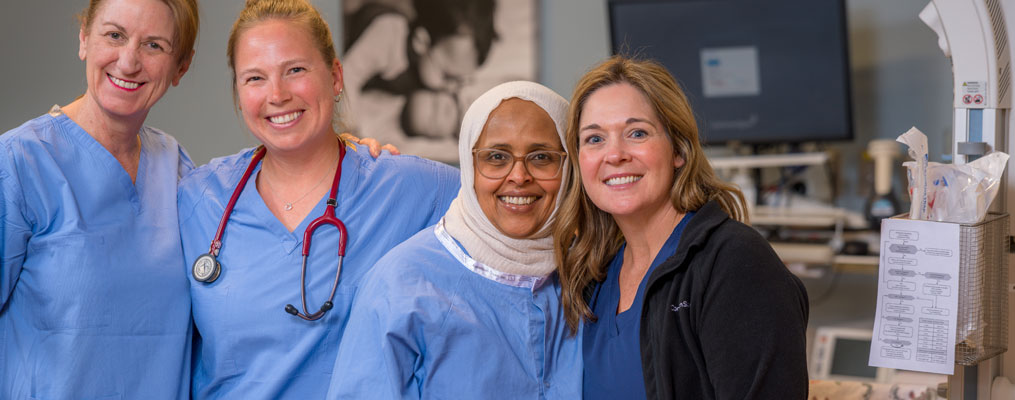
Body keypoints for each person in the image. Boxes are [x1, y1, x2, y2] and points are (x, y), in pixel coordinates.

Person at [177, 1, 459, 398]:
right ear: (239, 95)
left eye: (295, 70)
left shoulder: (409, 187)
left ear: (335, 76)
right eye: (255, 78)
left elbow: (519, 216)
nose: (277, 94)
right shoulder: (198, 198)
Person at [0, 0, 201, 398]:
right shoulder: (13, 166)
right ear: (83, 39)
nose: (128, 62)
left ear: (181, 66)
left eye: (154, 46)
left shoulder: (177, 169)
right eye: (114, 35)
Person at [553, 56, 810, 399]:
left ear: (679, 150)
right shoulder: (592, 276)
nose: (614, 155)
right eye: (594, 139)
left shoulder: (733, 262)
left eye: (637, 133)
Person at [326, 81, 581, 399]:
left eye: (542, 157)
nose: (518, 176)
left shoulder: (594, 271)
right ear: (469, 164)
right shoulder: (401, 286)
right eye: (496, 157)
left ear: (571, 164)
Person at [341, 0, 497, 162]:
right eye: (447, 76)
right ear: (421, 42)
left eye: (459, 81)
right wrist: (352, 132)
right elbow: (347, 77)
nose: (450, 89)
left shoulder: (423, 72)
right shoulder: (390, 33)